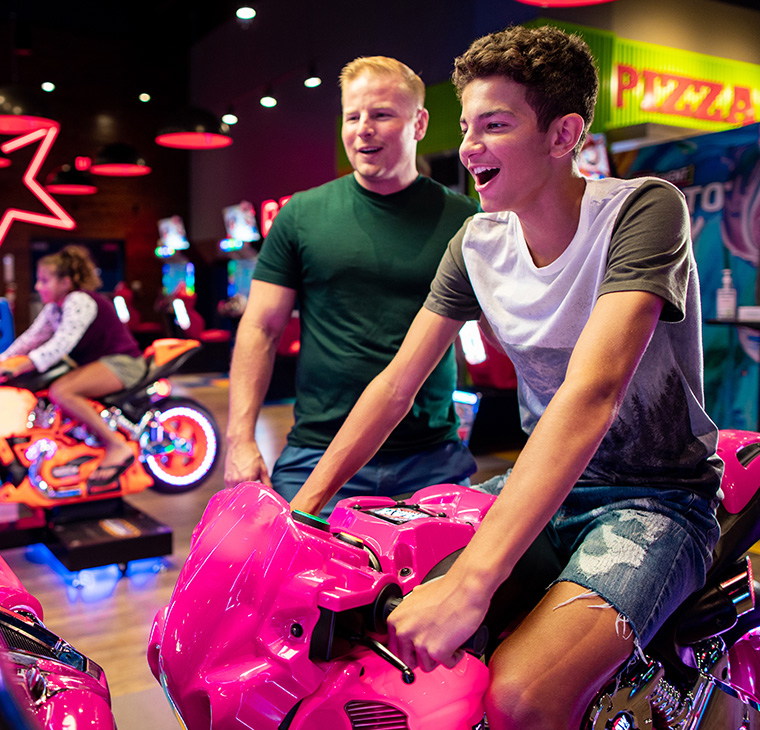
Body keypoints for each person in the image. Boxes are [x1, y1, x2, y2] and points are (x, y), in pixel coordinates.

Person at [289, 25, 722, 730]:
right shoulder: (478, 241)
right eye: (466, 126)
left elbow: (593, 391)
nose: (467, 147)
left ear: (564, 134)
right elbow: (398, 382)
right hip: (544, 485)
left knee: (521, 696)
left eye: (495, 125)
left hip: (659, 499)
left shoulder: (641, 210)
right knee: (380, 618)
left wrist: (473, 582)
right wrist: (303, 508)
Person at [224, 56, 479, 512]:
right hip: (317, 451)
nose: (363, 128)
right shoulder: (301, 215)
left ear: (419, 123)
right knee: (287, 579)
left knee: (440, 585)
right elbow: (261, 328)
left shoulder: (464, 220)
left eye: (381, 114)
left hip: (430, 457)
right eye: (352, 116)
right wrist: (240, 438)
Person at [0, 246, 146, 488]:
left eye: (44, 280)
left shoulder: (79, 300)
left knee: (62, 391)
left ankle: (116, 446)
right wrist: (4, 360)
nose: (38, 286)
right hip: (98, 363)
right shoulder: (54, 307)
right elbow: (29, 339)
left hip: (122, 362)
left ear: (65, 282)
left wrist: (22, 365)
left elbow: (61, 344)